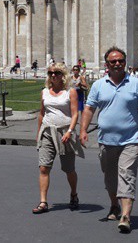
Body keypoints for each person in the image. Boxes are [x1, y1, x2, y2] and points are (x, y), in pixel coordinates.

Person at [80, 47, 138, 234]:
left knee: (127, 175)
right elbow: (89, 109)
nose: (117, 64)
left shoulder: (136, 84)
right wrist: (83, 130)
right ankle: (115, 205)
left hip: (131, 140)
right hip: (106, 141)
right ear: (107, 64)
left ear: (125, 62)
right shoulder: (98, 85)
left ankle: (126, 216)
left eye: (120, 60)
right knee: (110, 179)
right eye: (113, 61)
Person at [33, 63, 81, 214]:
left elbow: (75, 114)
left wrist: (70, 131)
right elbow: (42, 113)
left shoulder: (70, 92)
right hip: (47, 132)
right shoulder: (44, 92)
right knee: (43, 167)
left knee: (69, 169)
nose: (53, 75)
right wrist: (38, 133)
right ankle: (43, 202)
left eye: (57, 73)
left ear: (63, 75)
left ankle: (74, 194)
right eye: (50, 73)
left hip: (65, 133)